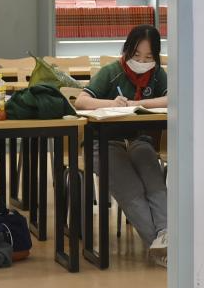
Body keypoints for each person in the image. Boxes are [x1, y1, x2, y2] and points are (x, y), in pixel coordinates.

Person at [76, 24, 169, 267]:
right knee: (132, 191)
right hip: (104, 143)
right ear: (127, 50)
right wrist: (112, 103)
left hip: (139, 141)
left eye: (148, 57)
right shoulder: (111, 72)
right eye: (136, 55)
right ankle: (162, 247)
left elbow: (173, 99)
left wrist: (139, 104)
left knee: (155, 183)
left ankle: (167, 237)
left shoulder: (158, 74)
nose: (142, 62)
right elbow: (81, 101)